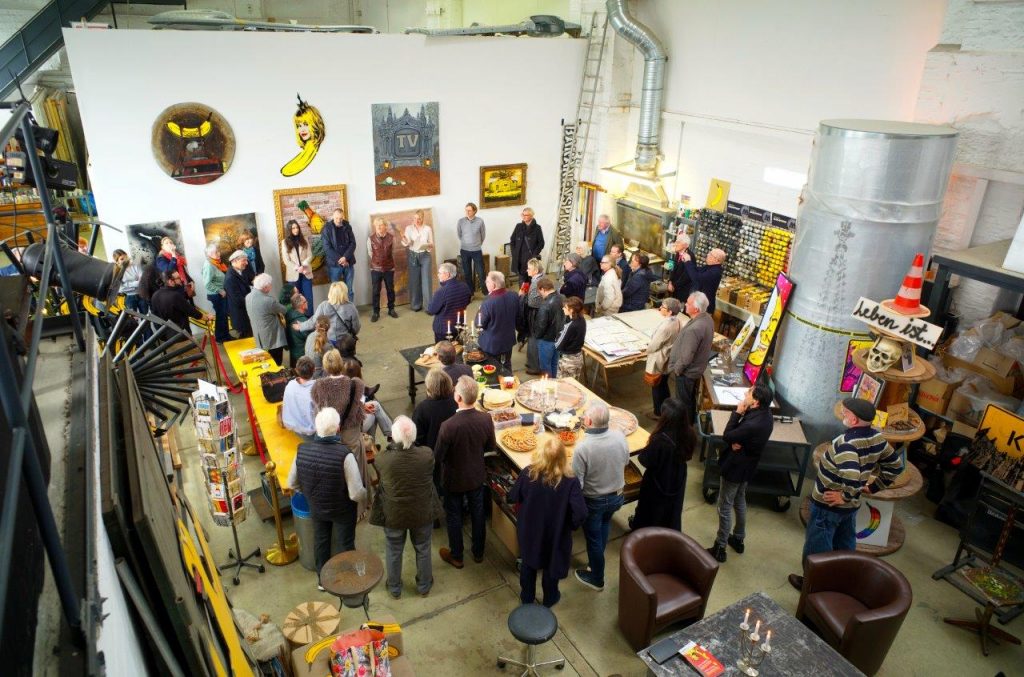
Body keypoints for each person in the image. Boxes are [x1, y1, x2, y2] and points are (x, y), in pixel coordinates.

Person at [788, 398, 903, 591]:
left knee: (817, 547)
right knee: (845, 544)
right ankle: (842, 580)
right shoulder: (877, 437)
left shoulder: (846, 444)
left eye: (846, 412)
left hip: (828, 506)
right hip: (851, 507)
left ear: (854, 420)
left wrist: (844, 496)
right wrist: (875, 487)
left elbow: (852, 476)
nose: (842, 413)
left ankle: (813, 585)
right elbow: (896, 466)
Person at [287, 407, 367, 589]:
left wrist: (309, 494)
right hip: (342, 510)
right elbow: (355, 492)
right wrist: (365, 496)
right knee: (345, 543)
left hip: (316, 507)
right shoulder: (344, 455)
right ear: (338, 429)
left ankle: (323, 580)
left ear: (317, 428)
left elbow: (292, 483)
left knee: (321, 541)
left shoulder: (301, 451)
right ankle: (348, 580)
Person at [508, 438, 587, 607]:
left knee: (528, 564)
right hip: (556, 533)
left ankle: (527, 598)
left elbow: (513, 496)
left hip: (530, 530)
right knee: (552, 567)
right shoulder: (571, 481)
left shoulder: (528, 473)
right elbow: (580, 513)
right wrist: (570, 526)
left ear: (540, 455)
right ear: (563, 457)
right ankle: (550, 598)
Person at [372, 416, 444, 598]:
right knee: (423, 547)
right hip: (421, 512)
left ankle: (394, 587)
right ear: (414, 435)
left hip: (394, 514)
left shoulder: (382, 459)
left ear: (393, 436)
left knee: (394, 550)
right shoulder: (426, 455)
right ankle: (424, 586)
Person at [434, 376, 498, 568]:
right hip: (476, 475)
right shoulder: (486, 418)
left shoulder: (448, 426)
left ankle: (457, 556)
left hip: (454, 479)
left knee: (454, 515)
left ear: (458, 398)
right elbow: (490, 446)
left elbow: (438, 456)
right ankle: (478, 552)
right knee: (478, 513)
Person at [707, 384, 774, 563]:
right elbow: (739, 438)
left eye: (749, 392)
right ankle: (738, 538)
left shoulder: (752, 424)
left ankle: (720, 547)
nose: (746, 393)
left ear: (756, 401)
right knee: (739, 500)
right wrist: (737, 441)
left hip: (735, 468)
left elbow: (728, 435)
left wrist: (737, 413)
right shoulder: (766, 415)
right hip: (748, 466)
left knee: (724, 506)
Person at [572, 402, 628, 591]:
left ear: (588, 421)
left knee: (593, 539)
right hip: (617, 496)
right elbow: (625, 461)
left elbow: (578, 484)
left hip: (594, 501)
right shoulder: (619, 436)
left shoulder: (583, 447)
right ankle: (595, 562)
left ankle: (597, 578)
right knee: (604, 525)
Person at [311, 350, 370, 502]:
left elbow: (318, 411)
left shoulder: (319, 386)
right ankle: (359, 504)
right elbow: (358, 409)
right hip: (351, 433)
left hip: (330, 435)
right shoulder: (356, 384)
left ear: (325, 367)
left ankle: (340, 498)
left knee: (336, 468)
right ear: (341, 364)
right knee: (355, 466)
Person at [629, 398, 695, 532]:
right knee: (671, 511)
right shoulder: (689, 434)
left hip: (657, 482)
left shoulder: (660, 440)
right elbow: (688, 456)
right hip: (677, 478)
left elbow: (644, 460)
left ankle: (644, 533)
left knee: (651, 511)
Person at [413, 368, 458, 521]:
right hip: (454, 455)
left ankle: (435, 518)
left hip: (431, 456)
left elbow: (417, 439)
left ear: (429, 387)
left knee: (434, 487)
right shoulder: (456, 404)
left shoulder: (422, 409)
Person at [669, 292, 714, 421]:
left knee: (682, 403)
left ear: (696, 309)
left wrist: (677, 370)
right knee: (689, 399)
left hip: (687, 373)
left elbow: (686, 357)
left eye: (688, 303)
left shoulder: (694, 329)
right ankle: (690, 422)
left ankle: (684, 427)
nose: (685, 305)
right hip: (696, 369)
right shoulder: (707, 319)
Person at [645, 298, 683, 419]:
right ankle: (667, 410)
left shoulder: (666, 327)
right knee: (663, 384)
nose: (660, 308)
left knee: (656, 386)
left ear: (670, 311)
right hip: (668, 358)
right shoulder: (677, 321)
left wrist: (646, 349)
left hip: (660, 359)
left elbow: (654, 345)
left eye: (663, 306)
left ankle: (657, 413)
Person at [296, 281, 360, 348]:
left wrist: (301, 326)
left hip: (328, 342)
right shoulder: (351, 307)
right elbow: (356, 328)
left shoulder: (324, 305)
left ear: (331, 292)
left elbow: (314, 322)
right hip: (345, 342)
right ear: (344, 293)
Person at [478, 271, 519, 371]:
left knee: (492, 369)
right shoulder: (514, 295)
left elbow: (479, 324)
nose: (485, 283)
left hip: (492, 344)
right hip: (507, 340)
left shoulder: (488, 302)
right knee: (506, 365)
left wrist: (480, 310)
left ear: (494, 284)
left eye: (487, 281)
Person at [245, 273, 288, 366]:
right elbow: (284, 310)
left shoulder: (248, 297)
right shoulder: (268, 301)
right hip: (273, 338)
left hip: (259, 336)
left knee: (265, 363)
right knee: (276, 363)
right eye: (270, 285)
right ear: (265, 287)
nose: (271, 286)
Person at [426, 262, 472, 342]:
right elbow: (467, 301)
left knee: (443, 349)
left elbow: (431, 310)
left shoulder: (441, 292)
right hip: (459, 325)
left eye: (440, 273)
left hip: (443, 329)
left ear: (447, 275)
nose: (438, 275)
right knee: (457, 347)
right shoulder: (465, 286)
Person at [401, 209, 434, 311]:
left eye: (419, 218)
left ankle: (428, 307)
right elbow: (406, 243)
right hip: (413, 256)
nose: (417, 220)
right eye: (415, 218)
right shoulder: (409, 228)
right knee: (414, 281)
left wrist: (429, 246)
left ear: (422, 218)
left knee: (426, 282)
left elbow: (431, 243)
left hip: (425, 256)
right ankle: (416, 305)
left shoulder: (428, 229)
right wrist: (405, 241)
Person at [367, 217, 397, 322]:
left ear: (385, 226)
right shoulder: (370, 239)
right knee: (376, 291)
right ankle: (376, 312)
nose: (378, 227)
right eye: (377, 225)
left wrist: (387, 262)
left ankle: (391, 309)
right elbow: (370, 253)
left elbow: (393, 252)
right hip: (375, 269)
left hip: (389, 268)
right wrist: (378, 261)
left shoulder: (391, 238)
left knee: (390, 289)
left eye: (380, 225)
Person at [281, 219, 314, 313]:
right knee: (296, 300)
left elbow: (310, 255)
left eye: (297, 227)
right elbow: (286, 260)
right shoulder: (284, 242)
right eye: (293, 228)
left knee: (308, 298)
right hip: (293, 275)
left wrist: (303, 265)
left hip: (306, 273)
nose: (296, 230)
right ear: (289, 230)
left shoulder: (304, 239)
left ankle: (310, 318)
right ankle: (299, 319)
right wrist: (297, 268)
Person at [201, 244, 232, 343]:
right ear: (209, 254)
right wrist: (220, 291)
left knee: (223, 316)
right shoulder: (209, 265)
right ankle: (221, 338)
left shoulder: (216, 263)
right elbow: (207, 284)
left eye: (218, 251)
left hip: (221, 294)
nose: (219, 253)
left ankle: (226, 336)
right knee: (221, 316)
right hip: (217, 295)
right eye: (216, 252)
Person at [532, 278, 563, 378]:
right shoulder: (562, 298)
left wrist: (536, 336)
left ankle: (548, 385)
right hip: (559, 338)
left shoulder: (545, 305)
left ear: (543, 289)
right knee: (554, 364)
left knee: (545, 367)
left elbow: (541, 326)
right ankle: (554, 383)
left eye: (539, 292)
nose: (540, 295)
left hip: (546, 340)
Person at [322, 208, 356, 297]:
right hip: (334, 265)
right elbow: (327, 248)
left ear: (343, 217)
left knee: (349, 290)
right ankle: (337, 307)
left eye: (341, 218)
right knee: (335, 292)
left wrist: (345, 257)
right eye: (336, 218)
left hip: (348, 262)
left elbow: (353, 243)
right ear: (333, 217)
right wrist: (340, 259)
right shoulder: (326, 229)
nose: (338, 220)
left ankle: (349, 307)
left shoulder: (347, 226)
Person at [521, 258, 546, 375]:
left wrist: (523, 296)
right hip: (539, 313)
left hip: (535, 314)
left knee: (533, 339)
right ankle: (533, 363)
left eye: (529, 268)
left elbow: (533, 302)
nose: (527, 270)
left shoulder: (537, 282)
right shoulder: (540, 278)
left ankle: (534, 367)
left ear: (535, 271)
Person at [683, 248, 726, 315]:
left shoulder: (715, 272)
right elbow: (696, 270)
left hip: (703, 307)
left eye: (711, 254)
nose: (708, 254)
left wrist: (688, 262)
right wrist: (688, 261)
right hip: (698, 304)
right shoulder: (709, 267)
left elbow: (696, 278)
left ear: (717, 260)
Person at [282, 356, 317, 438]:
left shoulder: (290, 385)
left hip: (292, 426)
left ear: (296, 370)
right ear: (314, 370)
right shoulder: (316, 389)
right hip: (310, 432)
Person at [457, 202, 487, 296]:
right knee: (467, 273)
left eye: (469, 210)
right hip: (464, 251)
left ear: (474, 211)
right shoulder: (461, 221)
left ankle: (485, 292)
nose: (467, 212)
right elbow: (459, 234)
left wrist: (476, 244)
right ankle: (471, 293)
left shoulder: (480, 221)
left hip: (476, 251)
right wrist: (466, 243)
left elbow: (483, 235)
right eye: (466, 210)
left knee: (481, 273)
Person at [509, 207, 545, 281]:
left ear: (531, 216)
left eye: (526, 215)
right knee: (522, 281)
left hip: (530, 259)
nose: (523, 217)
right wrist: (514, 253)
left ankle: (532, 289)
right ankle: (523, 289)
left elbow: (541, 243)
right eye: (523, 214)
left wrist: (534, 255)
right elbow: (512, 241)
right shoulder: (518, 226)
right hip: (520, 259)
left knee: (532, 280)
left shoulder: (537, 228)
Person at [555, 296, 586, 380]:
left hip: (568, 361)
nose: (563, 309)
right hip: (578, 358)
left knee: (562, 384)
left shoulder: (570, 326)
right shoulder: (582, 320)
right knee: (574, 383)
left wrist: (558, 336)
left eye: (565, 307)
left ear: (571, 310)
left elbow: (558, 345)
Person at [224, 250, 252, 338]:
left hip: (245, 312)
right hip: (241, 315)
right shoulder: (230, 278)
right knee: (246, 339)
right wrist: (252, 302)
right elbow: (238, 300)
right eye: (244, 260)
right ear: (235, 261)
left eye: (246, 260)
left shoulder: (240, 271)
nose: (246, 263)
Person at [284, 293, 311, 365]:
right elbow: (311, 338)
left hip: (293, 356)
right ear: (302, 305)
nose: (307, 302)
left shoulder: (289, 315)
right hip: (303, 358)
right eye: (305, 301)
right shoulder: (302, 321)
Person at [667, 234, 693, 304]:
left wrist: (674, 286)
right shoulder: (678, 253)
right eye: (676, 241)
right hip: (674, 288)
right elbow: (673, 269)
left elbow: (686, 276)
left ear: (685, 245)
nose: (675, 244)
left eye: (678, 242)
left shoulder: (690, 257)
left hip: (682, 291)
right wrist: (670, 282)